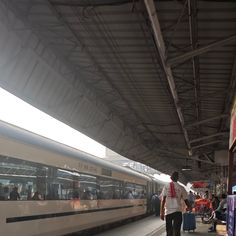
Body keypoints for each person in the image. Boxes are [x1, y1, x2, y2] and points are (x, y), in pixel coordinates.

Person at [160, 171, 191, 236]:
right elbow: (186, 200)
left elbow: (163, 200)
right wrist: (189, 207)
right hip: (178, 211)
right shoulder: (181, 187)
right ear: (177, 178)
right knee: (176, 230)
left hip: (168, 212)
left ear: (171, 178)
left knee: (169, 231)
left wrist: (161, 212)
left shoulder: (166, 186)